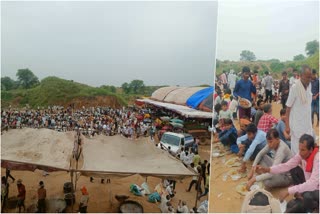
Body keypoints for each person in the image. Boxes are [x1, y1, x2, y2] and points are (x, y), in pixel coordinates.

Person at [257, 134, 319, 202]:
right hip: (309, 182)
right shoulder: (301, 154)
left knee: (307, 197)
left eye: (303, 150)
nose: (300, 153)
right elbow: (287, 165)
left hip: (316, 187)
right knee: (294, 169)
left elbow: (312, 184)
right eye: (299, 149)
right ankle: (301, 194)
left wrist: (289, 191)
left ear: (311, 149)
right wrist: (268, 169)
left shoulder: (318, 159)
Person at [285, 65, 314, 155]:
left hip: (307, 124)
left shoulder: (309, 86)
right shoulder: (295, 88)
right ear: (301, 76)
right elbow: (288, 108)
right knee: (297, 151)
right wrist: (287, 126)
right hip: (297, 125)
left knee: (307, 150)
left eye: (310, 77)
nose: (309, 79)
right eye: (307, 77)